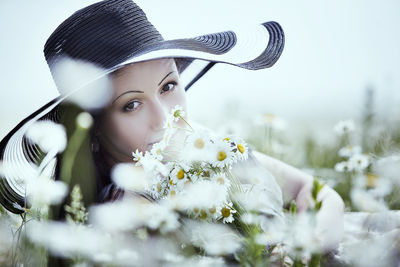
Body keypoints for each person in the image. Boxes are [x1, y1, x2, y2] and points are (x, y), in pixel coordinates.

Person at [0, 0, 343, 253]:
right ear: (93, 129)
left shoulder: (209, 151)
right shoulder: (118, 220)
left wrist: (309, 244)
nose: (165, 119)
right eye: (131, 105)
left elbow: (315, 193)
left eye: (168, 86)